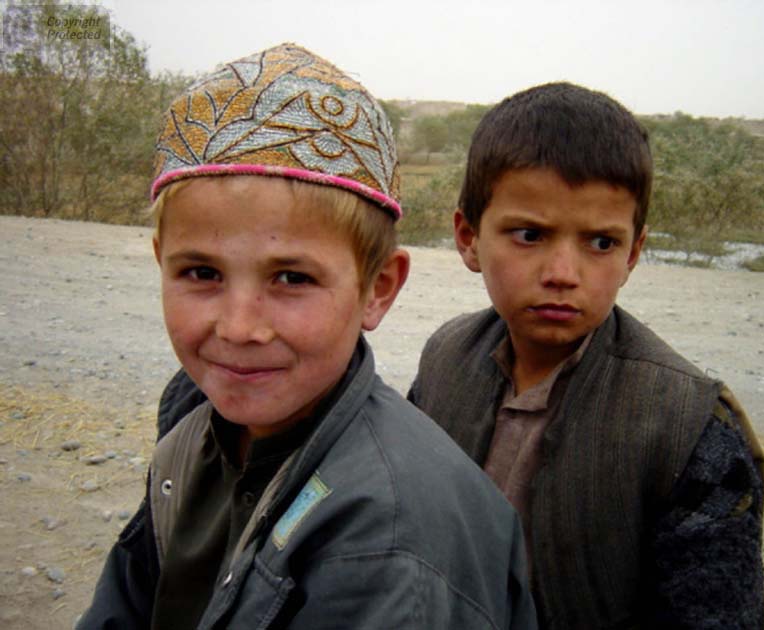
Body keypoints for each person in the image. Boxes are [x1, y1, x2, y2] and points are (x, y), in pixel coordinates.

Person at [77, 43, 537, 630]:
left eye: (292, 278)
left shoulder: (394, 545)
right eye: (202, 273)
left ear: (378, 288)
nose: (240, 328)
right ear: (160, 262)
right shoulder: (193, 430)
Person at [407, 83, 764, 629]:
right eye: (529, 234)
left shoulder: (690, 427)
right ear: (468, 237)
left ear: (634, 253)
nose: (562, 274)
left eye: (601, 243)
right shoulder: (445, 359)